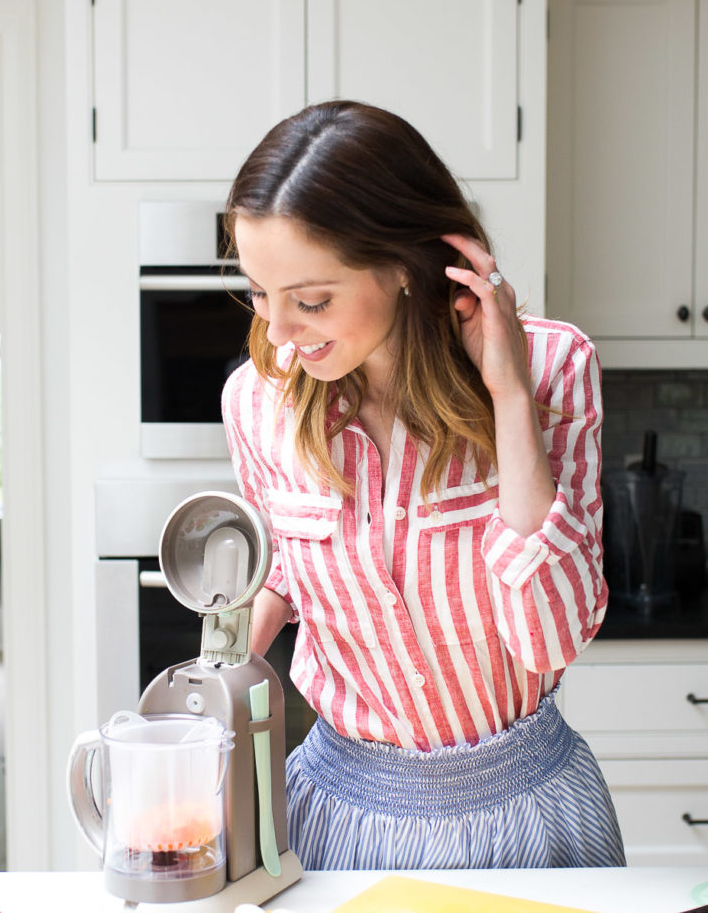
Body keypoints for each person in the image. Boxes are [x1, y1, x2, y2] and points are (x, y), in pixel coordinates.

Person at [221, 100, 625, 871]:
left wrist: (508, 396)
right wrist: (218, 673)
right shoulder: (258, 401)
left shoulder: (552, 370)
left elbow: (552, 636)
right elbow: (287, 569)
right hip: (337, 818)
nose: (277, 332)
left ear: (408, 267)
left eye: (310, 301)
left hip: (528, 818)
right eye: (259, 293)